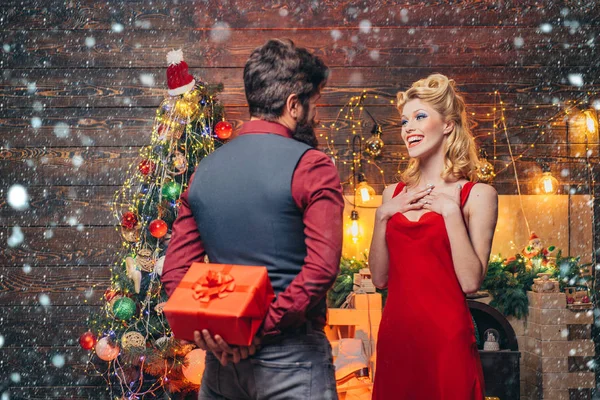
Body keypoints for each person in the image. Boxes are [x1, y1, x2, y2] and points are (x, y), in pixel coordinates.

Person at [161, 39, 343, 400]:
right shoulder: (313, 165)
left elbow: (175, 273)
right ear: (293, 105)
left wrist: (221, 333)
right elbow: (321, 269)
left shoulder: (205, 170)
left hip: (222, 367)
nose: (315, 115)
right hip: (291, 360)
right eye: (313, 104)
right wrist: (258, 327)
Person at [369, 74, 498, 399]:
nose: (408, 127)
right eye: (404, 120)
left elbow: (470, 282)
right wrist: (382, 215)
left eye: (420, 116)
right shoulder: (391, 194)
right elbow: (380, 278)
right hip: (396, 338)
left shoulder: (478, 195)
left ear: (448, 125)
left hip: (446, 341)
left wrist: (450, 212)